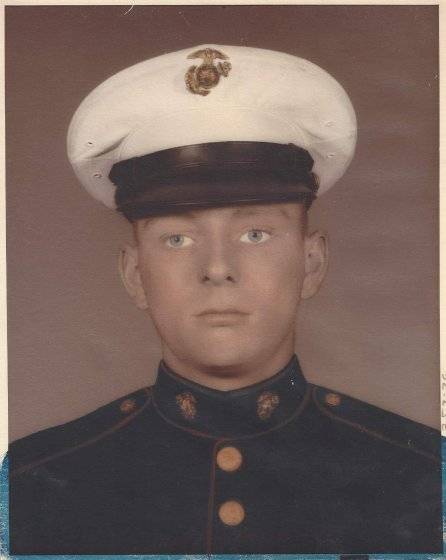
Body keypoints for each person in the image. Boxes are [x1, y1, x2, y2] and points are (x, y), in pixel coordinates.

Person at [7, 44, 442, 555]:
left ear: (312, 263)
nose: (217, 269)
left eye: (255, 234)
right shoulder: (31, 485)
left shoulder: (423, 477)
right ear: (134, 274)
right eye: (177, 240)